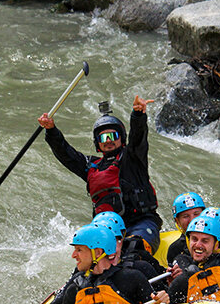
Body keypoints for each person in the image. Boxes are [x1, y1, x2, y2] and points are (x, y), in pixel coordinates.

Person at [38, 96, 162, 253]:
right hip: (109, 229)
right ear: (97, 143)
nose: (108, 141)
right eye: (103, 137)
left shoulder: (133, 157)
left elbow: (138, 137)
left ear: (122, 138)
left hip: (142, 222)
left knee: (134, 248)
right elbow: (66, 154)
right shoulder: (91, 166)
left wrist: (138, 115)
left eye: (113, 136)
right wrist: (51, 130)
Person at [45, 224, 155, 304]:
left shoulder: (131, 278)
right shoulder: (75, 289)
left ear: (98, 252)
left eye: (79, 250)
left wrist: (162, 300)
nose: (74, 255)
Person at [92, 211, 166, 289]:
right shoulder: (84, 273)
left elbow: (166, 284)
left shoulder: (141, 263)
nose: (110, 249)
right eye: (102, 242)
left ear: (122, 239)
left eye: (115, 240)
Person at [165, 192, 206, 266]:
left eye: (196, 214)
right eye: (186, 216)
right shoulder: (176, 249)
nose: (192, 220)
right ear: (177, 221)